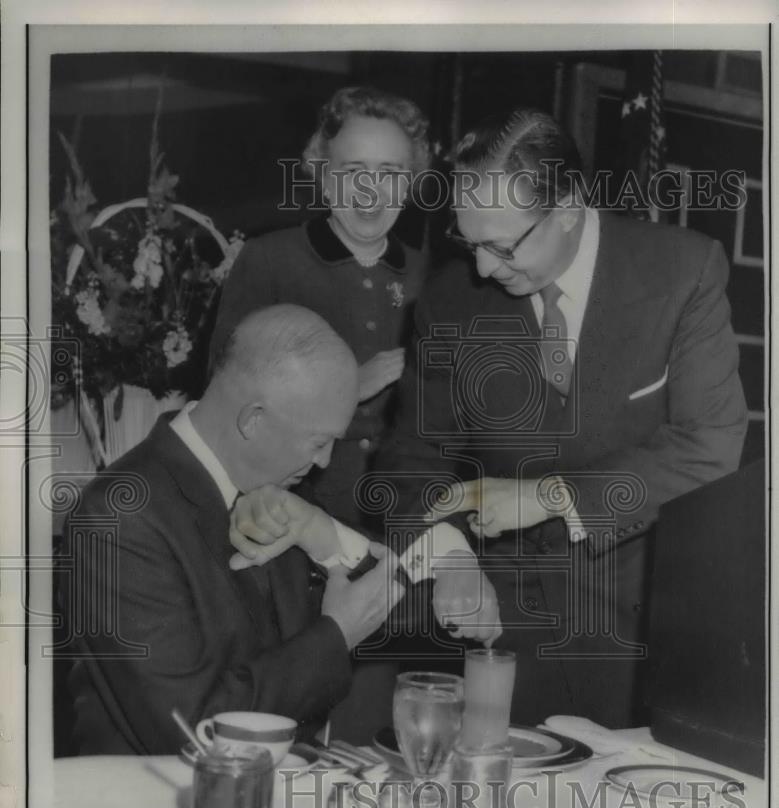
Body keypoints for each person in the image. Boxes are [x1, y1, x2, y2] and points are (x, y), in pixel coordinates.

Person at [369, 107, 749, 728]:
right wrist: (450, 555)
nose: (484, 269)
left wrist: (549, 495)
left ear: (569, 207)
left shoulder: (682, 271)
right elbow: (410, 461)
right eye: (470, 242)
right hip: (503, 635)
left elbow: (708, 446)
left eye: (501, 245)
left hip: (647, 635)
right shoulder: (449, 300)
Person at [63, 304, 499, 755]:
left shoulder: (281, 481)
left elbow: (395, 611)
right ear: (253, 419)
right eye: (319, 442)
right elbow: (190, 728)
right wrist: (337, 635)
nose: (326, 461)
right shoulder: (119, 516)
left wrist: (451, 554)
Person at [209, 85, 431, 526]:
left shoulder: (435, 274)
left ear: (409, 184)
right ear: (324, 176)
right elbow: (224, 405)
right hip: (291, 513)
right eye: (353, 170)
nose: (371, 190)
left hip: (406, 519)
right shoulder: (270, 261)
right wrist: (349, 388)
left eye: (389, 172)